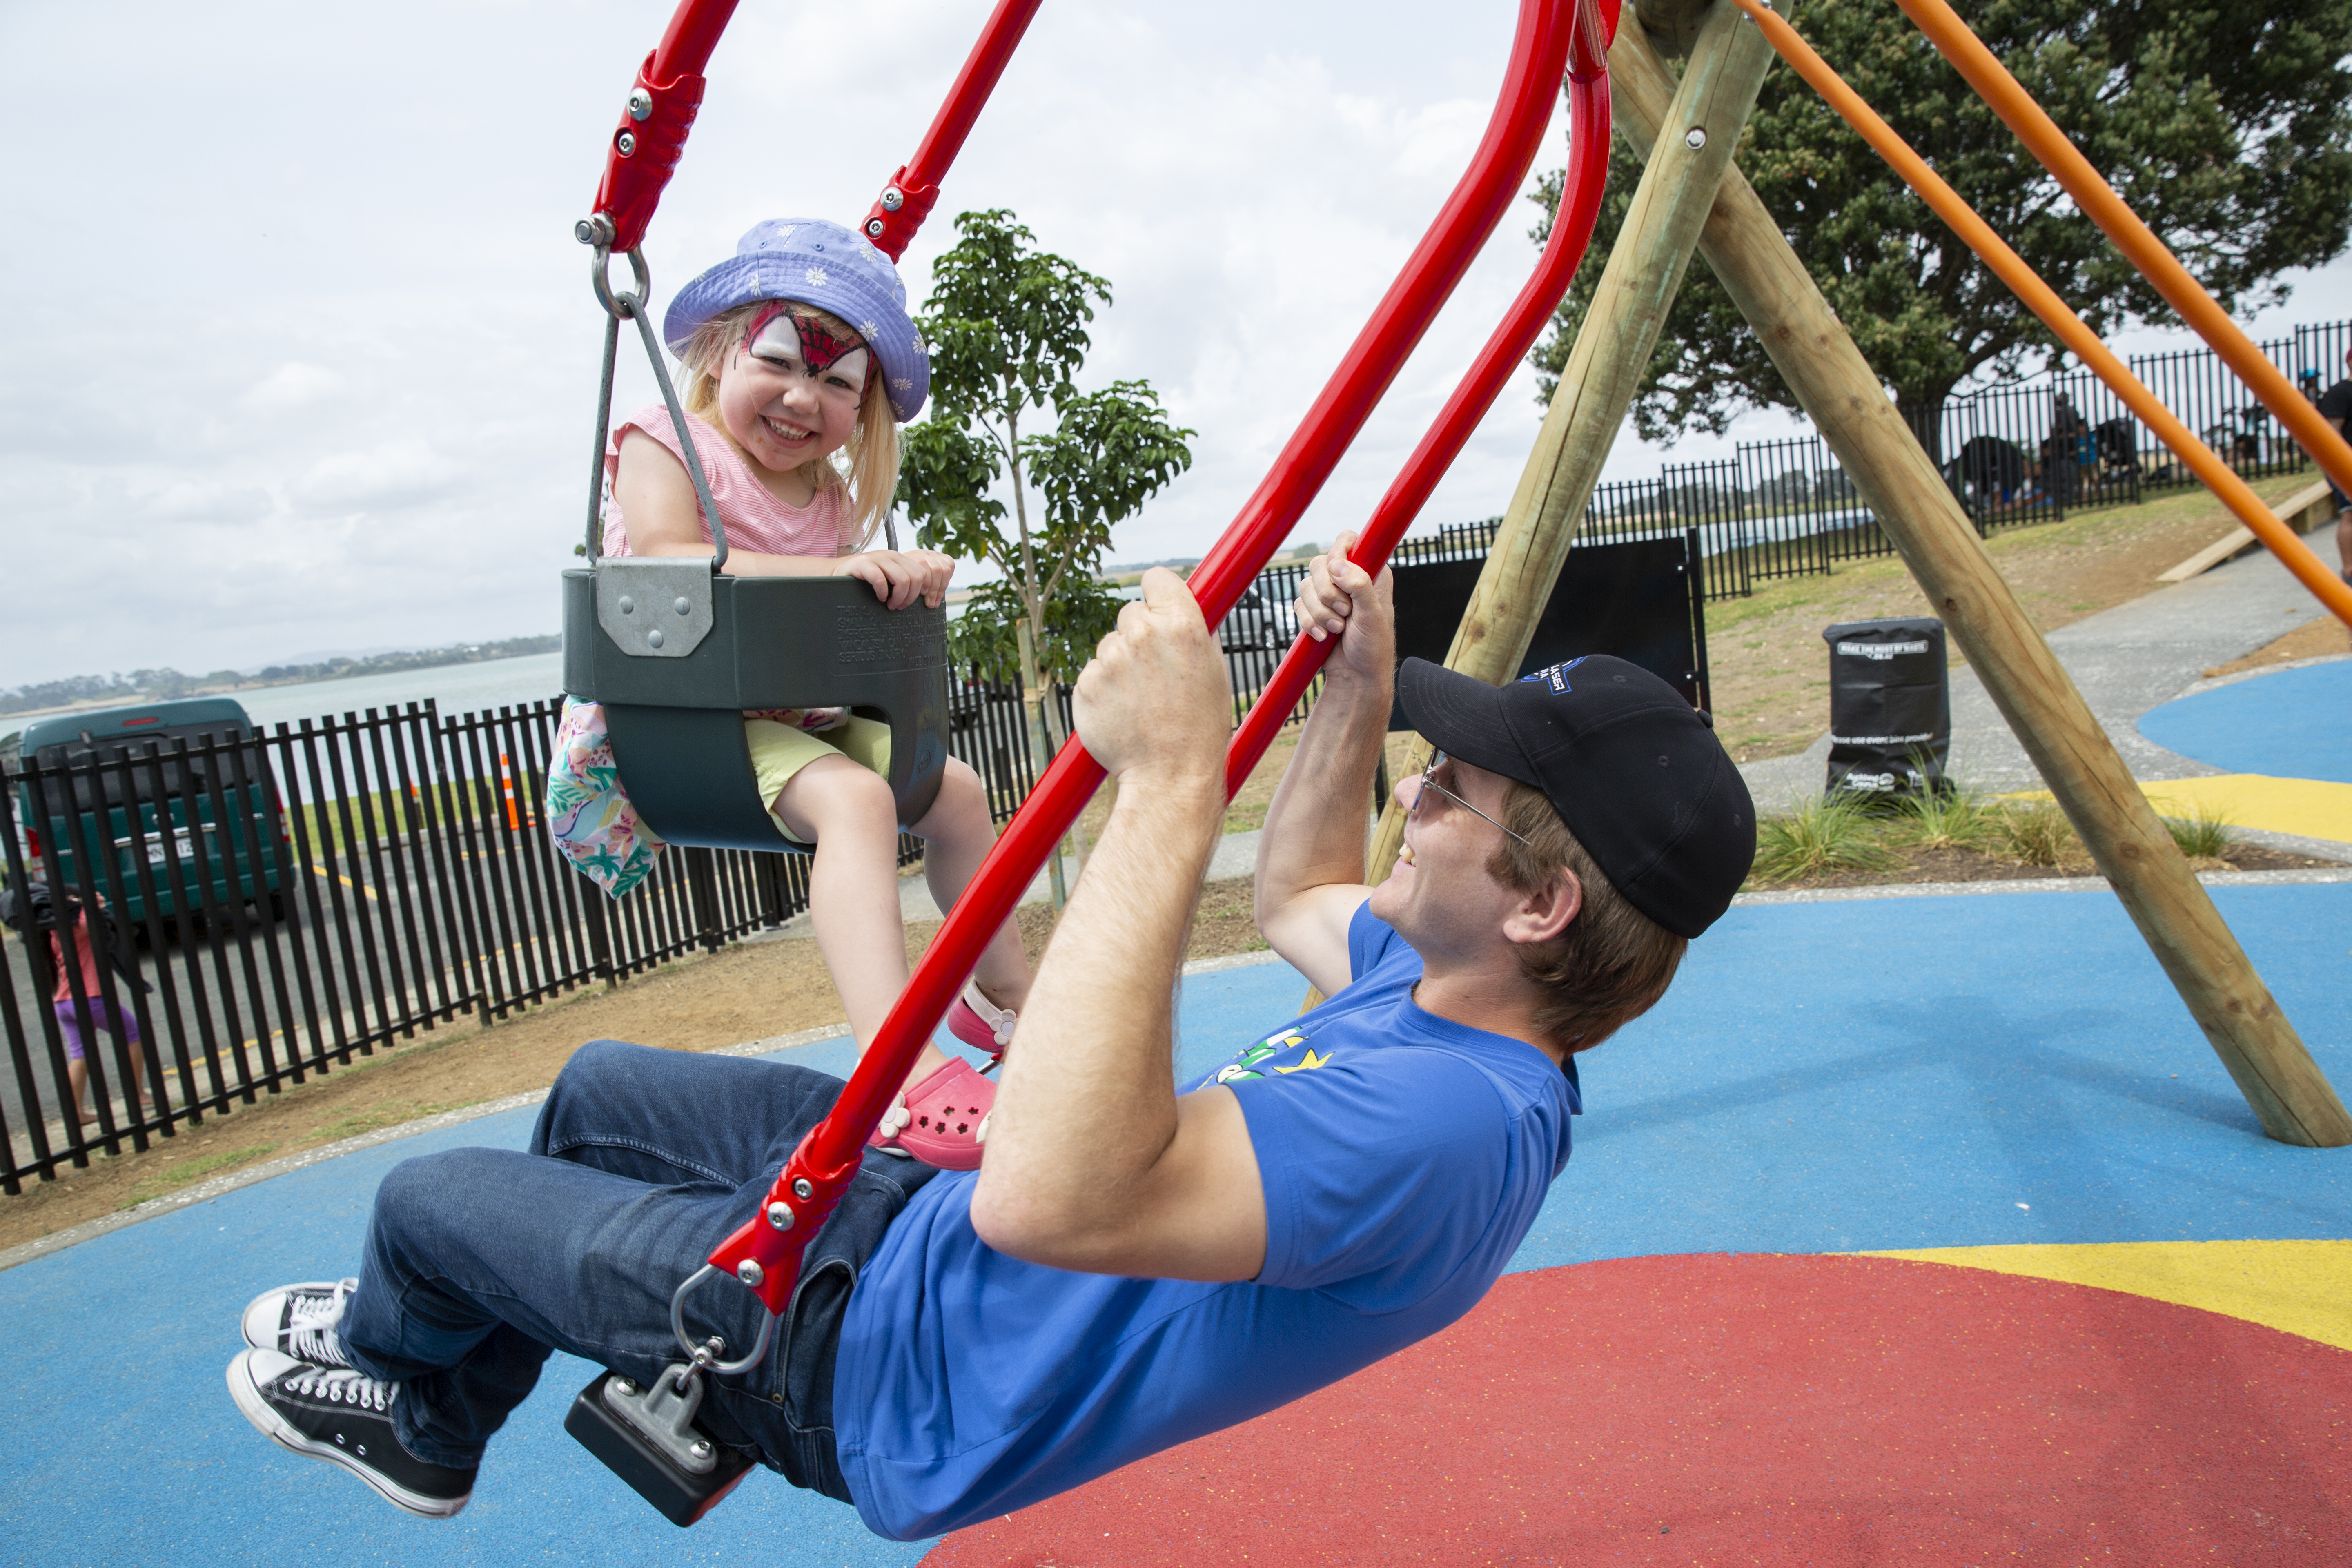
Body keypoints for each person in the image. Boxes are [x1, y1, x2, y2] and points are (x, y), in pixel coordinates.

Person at [224, 537, 1757, 1536]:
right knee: (595, 1094)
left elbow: (1051, 1200)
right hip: (920, 1227)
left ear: (1541, 908)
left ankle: (413, 1400)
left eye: (1448, 794)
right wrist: (1351, 700)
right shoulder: (1429, 988)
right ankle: (451, 1387)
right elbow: (1300, 881)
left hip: (892, 1363)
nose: (1415, 796)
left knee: (423, 1215)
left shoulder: (1448, 1131)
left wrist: (1163, 785)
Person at [545, 218, 1030, 1165]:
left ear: (864, 408)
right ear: (724, 350)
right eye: (780, 360)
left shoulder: (830, 498)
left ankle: (1006, 1001)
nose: (803, 395)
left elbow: (837, 614)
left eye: (837, 380)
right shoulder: (665, 440)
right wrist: (847, 570)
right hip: (669, 729)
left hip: (782, 720)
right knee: (855, 801)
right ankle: (893, 1067)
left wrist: (895, 574)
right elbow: (670, 557)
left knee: (959, 794)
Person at [2309, 344, 2352, 585]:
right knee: (2350, 514)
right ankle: (2350, 572)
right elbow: (2330, 434)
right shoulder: (2340, 392)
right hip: (2345, 464)